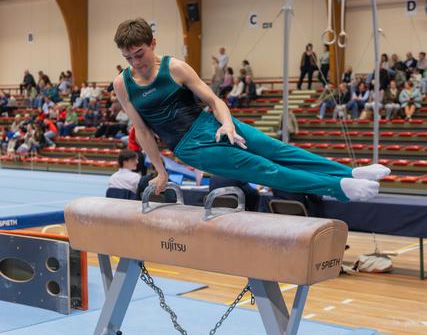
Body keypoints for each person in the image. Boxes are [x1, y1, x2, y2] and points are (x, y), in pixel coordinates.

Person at [112, 18, 390, 203]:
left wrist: (228, 125)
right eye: (128, 58)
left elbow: (214, 100)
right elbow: (144, 131)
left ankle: (347, 173)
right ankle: (339, 189)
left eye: (140, 54)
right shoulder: (123, 84)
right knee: (263, 168)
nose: (136, 63)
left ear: (153, 44)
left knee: (277, 150)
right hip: (189, 147)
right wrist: (161, 171)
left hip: (212, 124)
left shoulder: (175, 68)